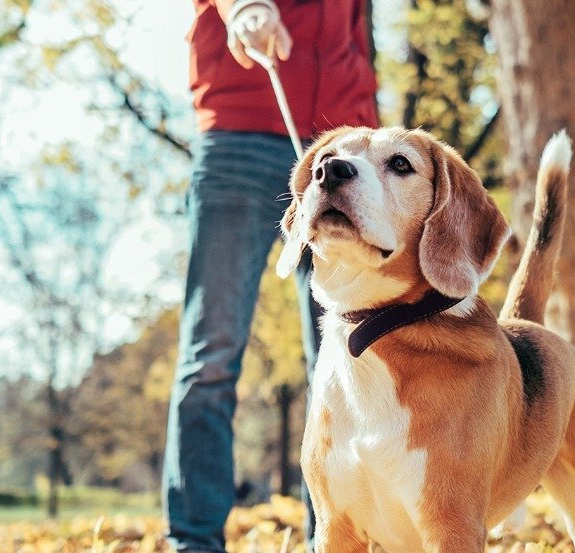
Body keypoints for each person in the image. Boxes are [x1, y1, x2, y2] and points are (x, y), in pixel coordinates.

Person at [162, 0, 379, 550]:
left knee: (344, 361)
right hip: (242, 131)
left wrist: (367, 129)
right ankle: (195, 540)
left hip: (343, 144)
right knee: (211, 353)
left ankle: (333, 539)